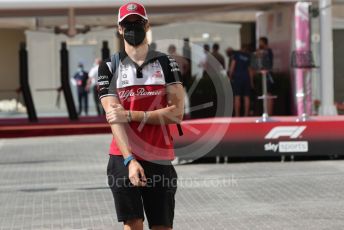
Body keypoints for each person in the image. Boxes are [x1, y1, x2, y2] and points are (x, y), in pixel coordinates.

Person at [97, 2, 184, 230]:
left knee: (162, 227)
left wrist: (130, 114)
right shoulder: (109, 66)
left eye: (138, 22)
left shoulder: (166, 63)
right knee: (133, 225)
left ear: (147, 25)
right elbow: (114, 117)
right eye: (127, 23)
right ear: (119, 28)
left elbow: (176, 113)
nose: (132, 27)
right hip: (123, 157)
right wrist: (130, 160)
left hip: (159, 155)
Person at [229, 45, 252, 117]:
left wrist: (230, 76)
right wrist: (251, 81)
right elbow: (250, 69)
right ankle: (246, 114)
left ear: (241, 48)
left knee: (237, 96)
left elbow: (232, 66)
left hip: (237, 78)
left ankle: (237, 114)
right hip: (246, 78)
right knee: (246, 96)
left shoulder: (237, 55)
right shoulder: (248, 56)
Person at [258, 36, 274, 115]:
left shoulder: (268, 51)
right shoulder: (264, 51)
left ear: (264, 42)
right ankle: (266, 111)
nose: (259, 44)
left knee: (269, 94)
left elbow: (267, 63)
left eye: (260, 42)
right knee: (266, 93)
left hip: (268, 75)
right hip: (264, 74)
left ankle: (269, 112)